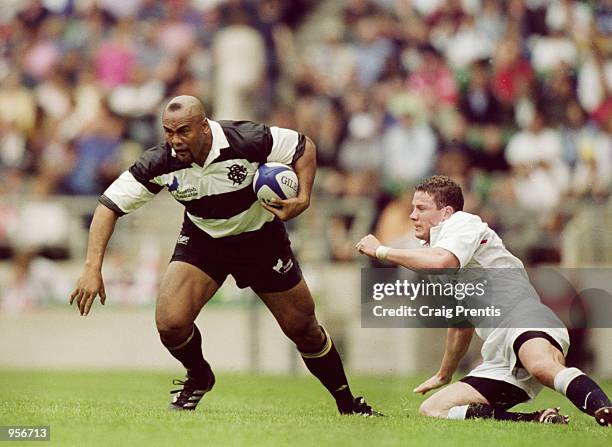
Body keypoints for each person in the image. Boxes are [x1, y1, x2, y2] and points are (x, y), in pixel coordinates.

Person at [70, 95, 381, 416]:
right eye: (169, 132)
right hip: (204, 240)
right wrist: (92, 267)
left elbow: (303, 146)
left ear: (204, 127)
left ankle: (348, 403)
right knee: (170, 323)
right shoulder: (160, 162)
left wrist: (303, 198)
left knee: (303, 329)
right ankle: (199, 376)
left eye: (184, 131)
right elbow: (108, 207)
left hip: (261, 240)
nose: (175, 140)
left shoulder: (245, 139)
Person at [356, 175, 611, 426]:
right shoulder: (431, 254)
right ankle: (536, 420)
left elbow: (444, 261)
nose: (412, 216)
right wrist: (444, 373)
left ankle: (605, 409)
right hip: (497, 352)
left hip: (522, 317)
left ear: (445, 212)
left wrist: (381, 251)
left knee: (541, 366)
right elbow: (460, 323)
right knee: (433, 408)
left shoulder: (462, 223)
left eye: (421, 208)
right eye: (412, 208)